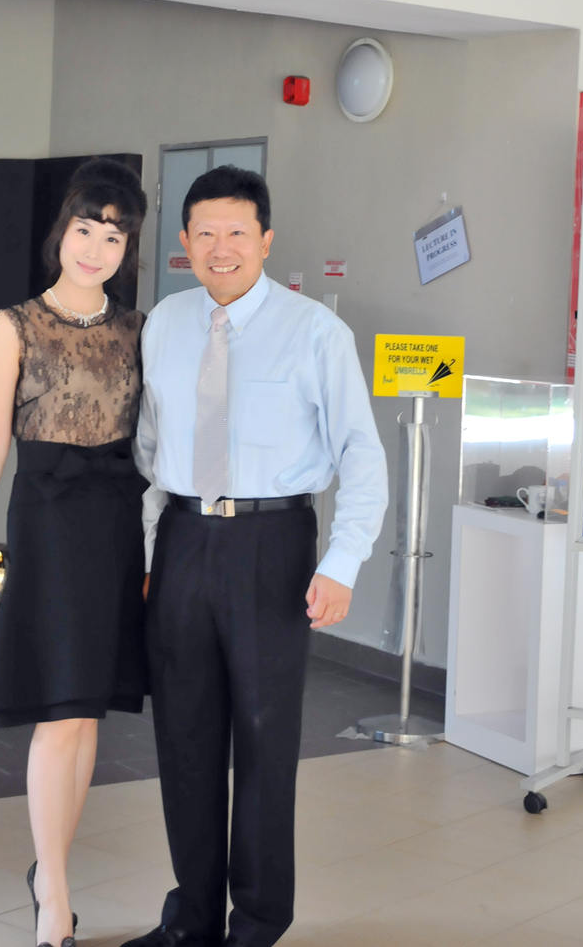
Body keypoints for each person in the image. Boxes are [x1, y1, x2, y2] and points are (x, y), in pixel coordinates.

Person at [127, 166, 388, 947]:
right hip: (182, 541)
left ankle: (259, 922)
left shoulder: (315, 332)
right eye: (205, 233)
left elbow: (362, 454)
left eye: (237, 232)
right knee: (185, 739)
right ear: (184, 242)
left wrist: (341, 562)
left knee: (266, 741)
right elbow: (149, 454)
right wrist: (150, 555)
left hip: (273, 547)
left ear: (266, 240)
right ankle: (193, 920)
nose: (222, 247)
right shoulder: (164, 323)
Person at [0, 158, 148, 947]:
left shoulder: (138, 330)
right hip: (46, 525)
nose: (96, 249)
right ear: (60, 232)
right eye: (85, 230)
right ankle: (55, 898)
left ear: (128, 248)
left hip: (116, 529)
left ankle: (50, 873)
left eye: (114, 237)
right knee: (58, 712)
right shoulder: (15, 325)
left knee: (87, 711)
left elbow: (156, 445)